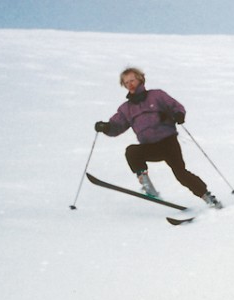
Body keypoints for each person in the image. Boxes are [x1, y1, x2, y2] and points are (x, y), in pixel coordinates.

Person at [94, 67, 222, 209]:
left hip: (168, 143)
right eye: (126, 82)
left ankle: (208, 198)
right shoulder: (126, 108)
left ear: (140, 79)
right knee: (132, 152)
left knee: (181, 174)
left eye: (132, 80)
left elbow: (176, 107)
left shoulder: (156, 96)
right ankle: (148, 186)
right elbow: (116, 126)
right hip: (150, 147)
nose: (130, 84)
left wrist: (177, 115)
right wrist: (106, 127)